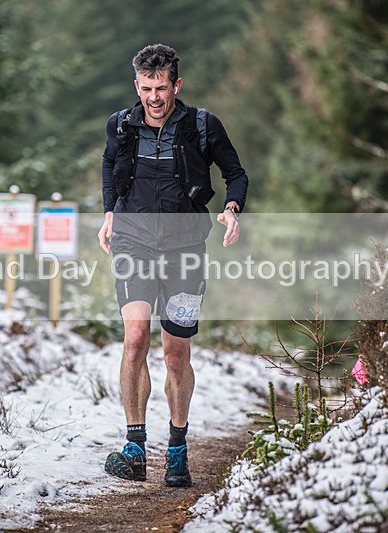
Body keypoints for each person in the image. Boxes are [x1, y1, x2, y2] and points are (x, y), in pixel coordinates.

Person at [98, 43, 248, 487]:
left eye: (161, 88)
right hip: (133, 245)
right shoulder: (121, 125)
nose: (154, 98)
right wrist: (109, 212)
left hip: (185, 251)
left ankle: (178, 451)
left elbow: (234, 173)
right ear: (137, 85)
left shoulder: (203, 126)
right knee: (135, 338)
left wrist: (233, 207)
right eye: (146, 89)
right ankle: (134, 446)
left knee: (176, 353)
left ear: (176, 85)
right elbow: (109, 164)